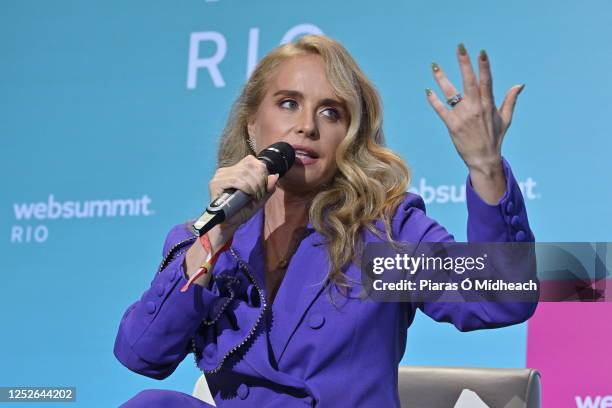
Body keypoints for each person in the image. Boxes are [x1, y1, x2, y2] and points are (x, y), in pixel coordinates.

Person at [114, 35, 536, 407]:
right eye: (288, 103)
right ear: (253, 125)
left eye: (331, 113)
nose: (306, 126)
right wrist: (217, 236)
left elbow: (502, 296)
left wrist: (485, 166)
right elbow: (142, 354)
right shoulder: (207, 239)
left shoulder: (382, 235)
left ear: (349, 138)